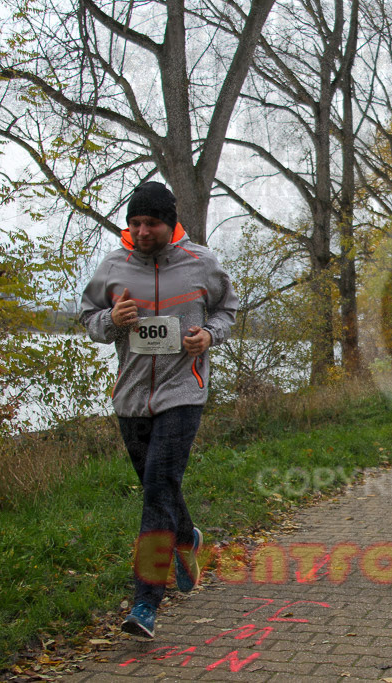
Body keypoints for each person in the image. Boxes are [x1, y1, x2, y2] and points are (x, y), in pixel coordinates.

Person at [80, 181, 238, 639]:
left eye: (151, 223)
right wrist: (112, 320)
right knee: (160, 488)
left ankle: (146, 602)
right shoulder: (113, 266)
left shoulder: (201, 263)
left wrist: (208, 335)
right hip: (130, 398)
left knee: (155, 490)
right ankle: (187, 537)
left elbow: (227, 309)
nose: (142, 231)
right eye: (135, 223)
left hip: (182, 394)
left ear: (171, 224)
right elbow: (89, 317)